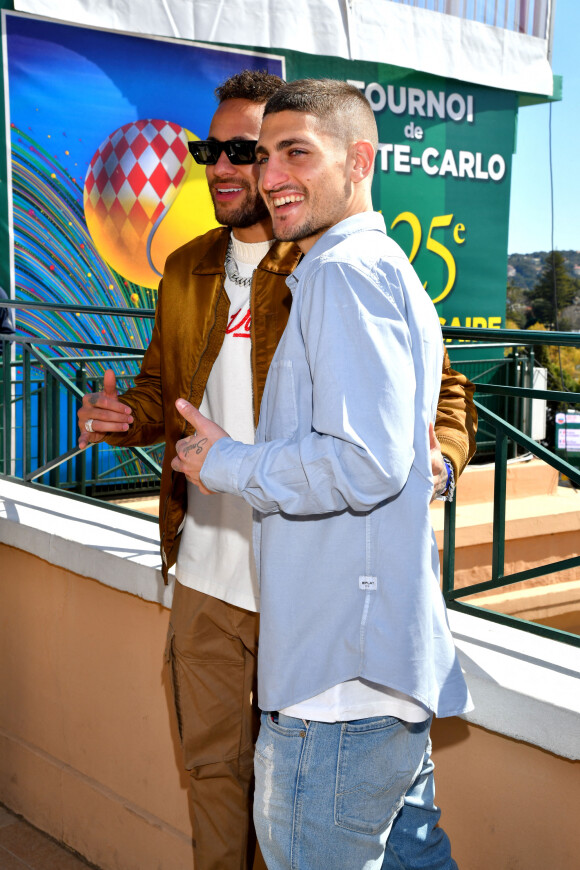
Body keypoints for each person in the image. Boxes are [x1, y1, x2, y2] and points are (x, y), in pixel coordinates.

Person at [77, 71, 476, 870]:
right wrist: (128, 418)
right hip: (209, 574)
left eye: (252, 150)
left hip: (309, 596)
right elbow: (169, 392)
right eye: (216, 151)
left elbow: (433, 400)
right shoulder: (188, 267)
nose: (230, 168)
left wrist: (437, 462)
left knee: (298, 805)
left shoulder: (324, 265)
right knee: (219, 781)